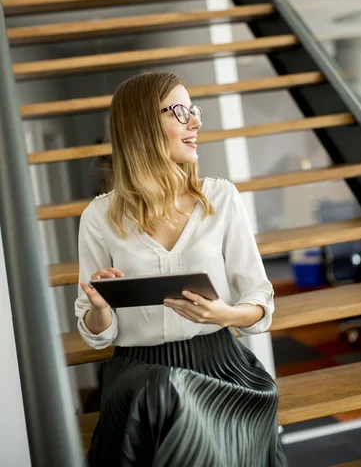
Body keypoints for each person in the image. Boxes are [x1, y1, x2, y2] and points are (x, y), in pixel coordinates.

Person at [75, 71, 287, 467]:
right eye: (178, 111)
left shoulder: (221, 198)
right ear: (141, 126)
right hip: (140, 373)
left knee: (179, 404)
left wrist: (225, 314)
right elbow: (98, 335)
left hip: (221, 363)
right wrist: (101, 307)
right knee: (163, 392)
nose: (195, 121)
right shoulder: (98, 217)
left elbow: (259, 301)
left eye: (192, 109)